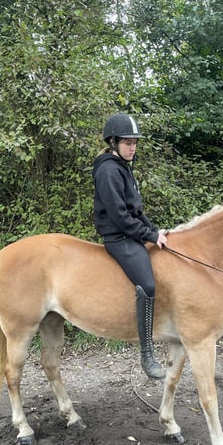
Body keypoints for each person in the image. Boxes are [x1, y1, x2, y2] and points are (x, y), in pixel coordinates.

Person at [92, 113, 167, 379]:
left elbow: (135, 210)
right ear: (113, 142)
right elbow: (120, 217)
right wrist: (147, 235)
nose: (132, 147)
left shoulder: (123, 166)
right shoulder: (108, 170)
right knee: (147, 285)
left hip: (130, 232)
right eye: (127, 142)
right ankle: (147, 354)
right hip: (118, 237)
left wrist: (154, 231)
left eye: (135, 142)